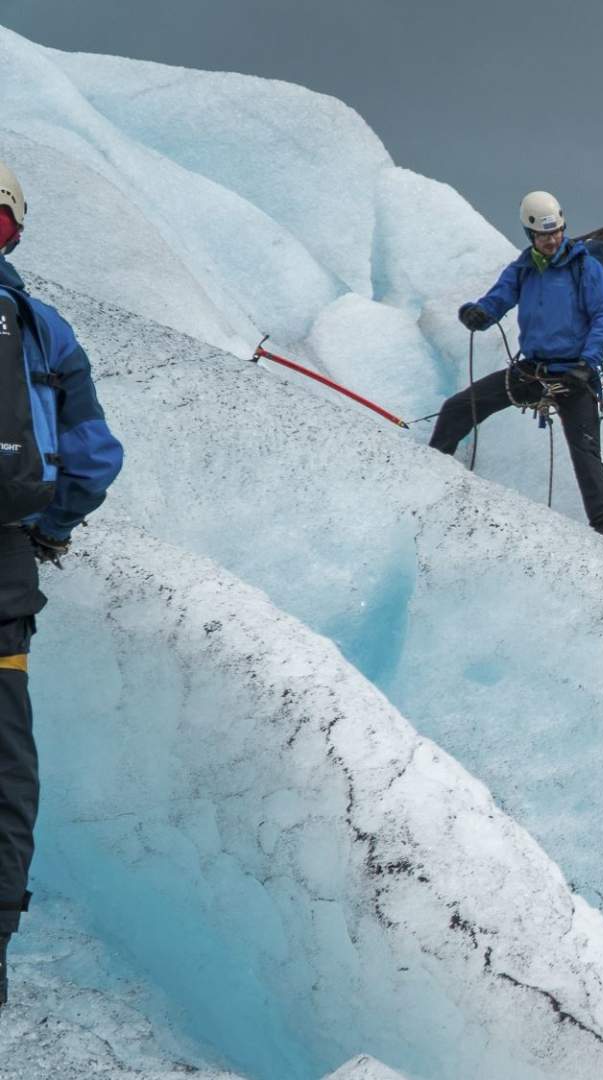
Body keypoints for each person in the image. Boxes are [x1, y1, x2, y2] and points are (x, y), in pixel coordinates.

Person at [0, 160, 126, 1008]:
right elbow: (93, 457)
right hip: (4, 571)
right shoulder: (43, 330)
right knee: (4, 761)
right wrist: (50, 530)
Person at [428, 191, 603, 539]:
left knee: (585, 453)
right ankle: (425, 479)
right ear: (530, 234)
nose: (553, 239)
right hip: (533, 372)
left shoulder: (585, 268)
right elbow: (498, 299)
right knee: (459, 408)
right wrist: (478, 314)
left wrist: (587, 364)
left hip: (575, 376)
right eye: (545, 234)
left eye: (558, 231)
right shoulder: (523, 269)